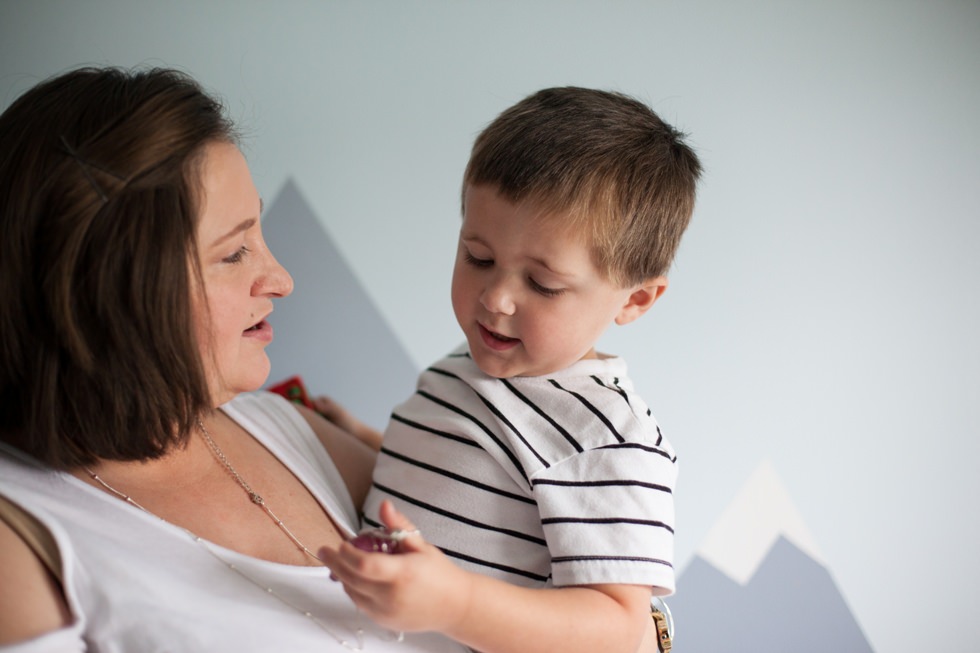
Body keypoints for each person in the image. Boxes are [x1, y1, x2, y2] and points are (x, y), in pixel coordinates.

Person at [0, 66, 467, 653]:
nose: (281, 280)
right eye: (234, 252)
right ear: (112, 291)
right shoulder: (20, 542)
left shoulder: (289, 429)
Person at [317, 87, 702, 653]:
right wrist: (370, 444)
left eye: (543, 284)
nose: (495, 298)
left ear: (634, 301)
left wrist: (457, 603)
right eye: (478, 257)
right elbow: (477, 487)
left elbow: (619, 626)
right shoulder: (469, 366)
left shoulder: (605, 437)